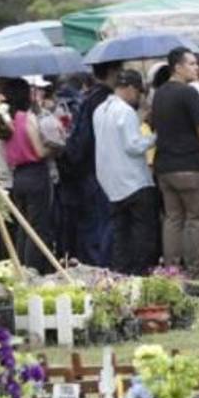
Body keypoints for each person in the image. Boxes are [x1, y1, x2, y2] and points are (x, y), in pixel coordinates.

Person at [152, 47, 199, 277]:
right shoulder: (189, 94)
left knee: (173, 219)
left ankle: (172, 268)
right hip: (192, 164)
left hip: (165, 165)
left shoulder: (159, 94)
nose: (196, 68)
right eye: (191, 64)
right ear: (177, 67)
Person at [93, 69, 159, 273]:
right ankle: (139, 272)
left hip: (110, 182)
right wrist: (155, 137)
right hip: (134, 180)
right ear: (130, 88)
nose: (139, 96)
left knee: (120, 235)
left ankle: (121, 272)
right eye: (139, 92)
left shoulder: (100, 109)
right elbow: (133, 145)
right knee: (142, 233)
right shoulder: (125, 111)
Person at [60, 61, 118, 265]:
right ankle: (99, 265)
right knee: (99, 223)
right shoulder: (103, 100)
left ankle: (90, 263)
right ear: (111, 71)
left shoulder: (87, 98)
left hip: (85, 170)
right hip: (97, 169)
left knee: (90, 223)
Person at [2, 78, 55, 270]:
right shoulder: (27, 118)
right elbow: (39, 151)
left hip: (18, 176)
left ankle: (21, 266)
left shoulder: (7, 122)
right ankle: (33, 269)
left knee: (22, 228)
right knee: (37, 227)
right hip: (35, 174)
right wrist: (54, 147)